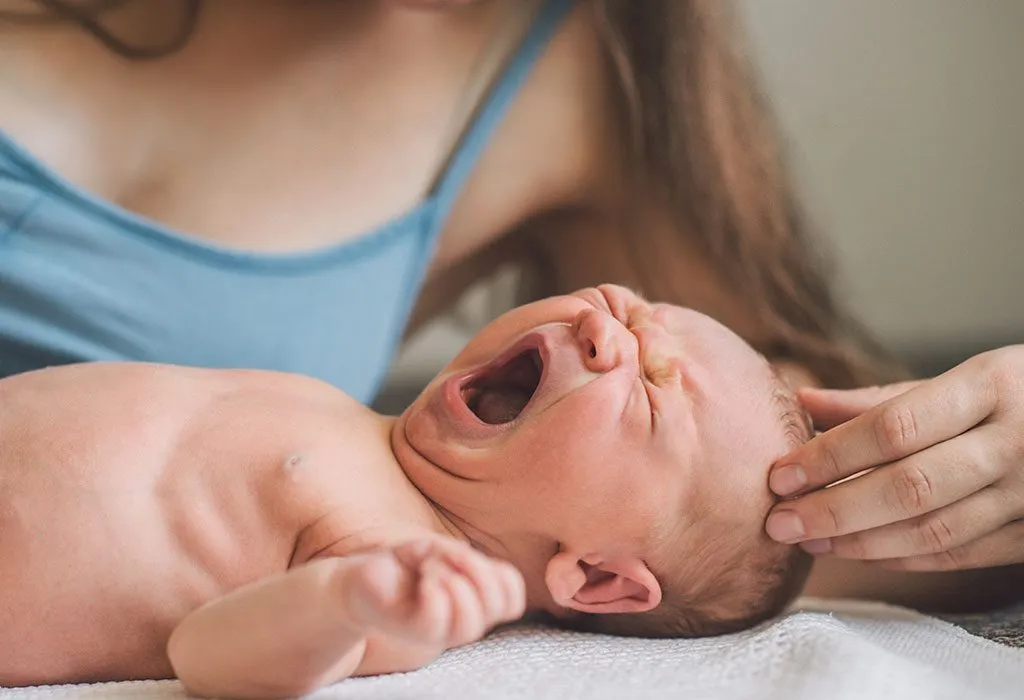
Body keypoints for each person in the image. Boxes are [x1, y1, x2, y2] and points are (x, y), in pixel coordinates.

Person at [0, 285, 811, 697]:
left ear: (595, 578)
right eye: (632, 307)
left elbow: (208, 659)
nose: (601, 327)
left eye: (652, 389)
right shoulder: (346, 414)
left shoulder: (403, 568)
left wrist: (340, 605)